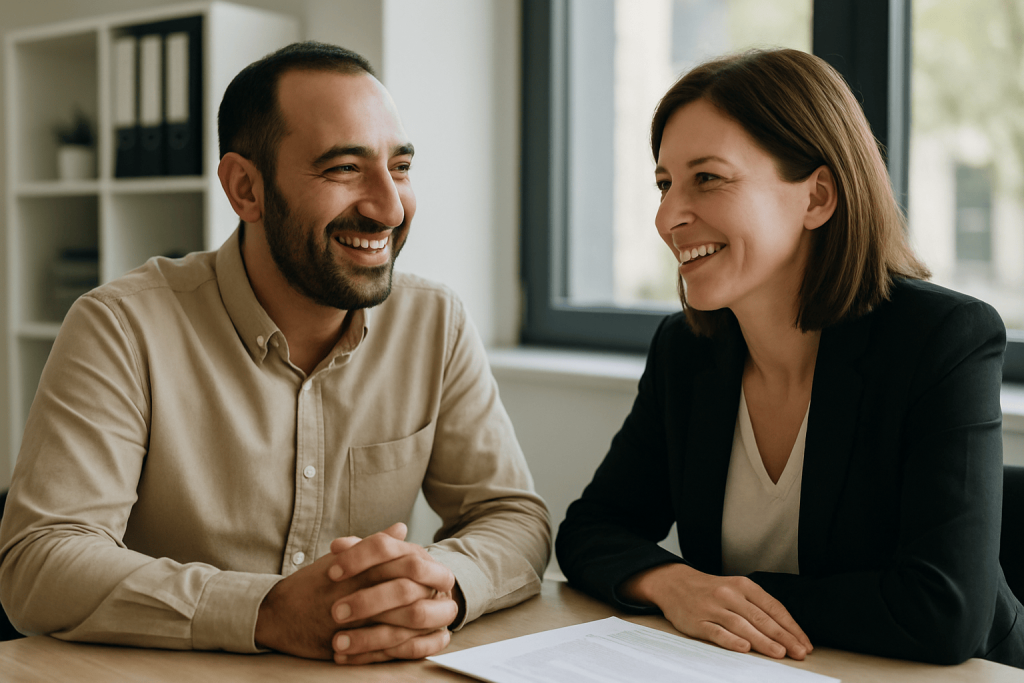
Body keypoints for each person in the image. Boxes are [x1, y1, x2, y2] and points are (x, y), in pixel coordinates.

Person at [0, 41, 550, 665]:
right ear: (246, 189)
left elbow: (513, 517)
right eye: (344, 169)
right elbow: (39, 560)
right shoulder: (122, 327)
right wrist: (265, 611)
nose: (389, 208)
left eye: (399, 167)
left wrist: (436, 587)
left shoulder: (435, 321)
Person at [556, 48, 1024, 668]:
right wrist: (676, 585)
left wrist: (731, 599)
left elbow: (944, 613)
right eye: (665, 184)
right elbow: (591, 530)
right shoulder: (687, 351)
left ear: (817, 198)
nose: (668, 216)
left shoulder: (941, 339)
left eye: (709, 178)